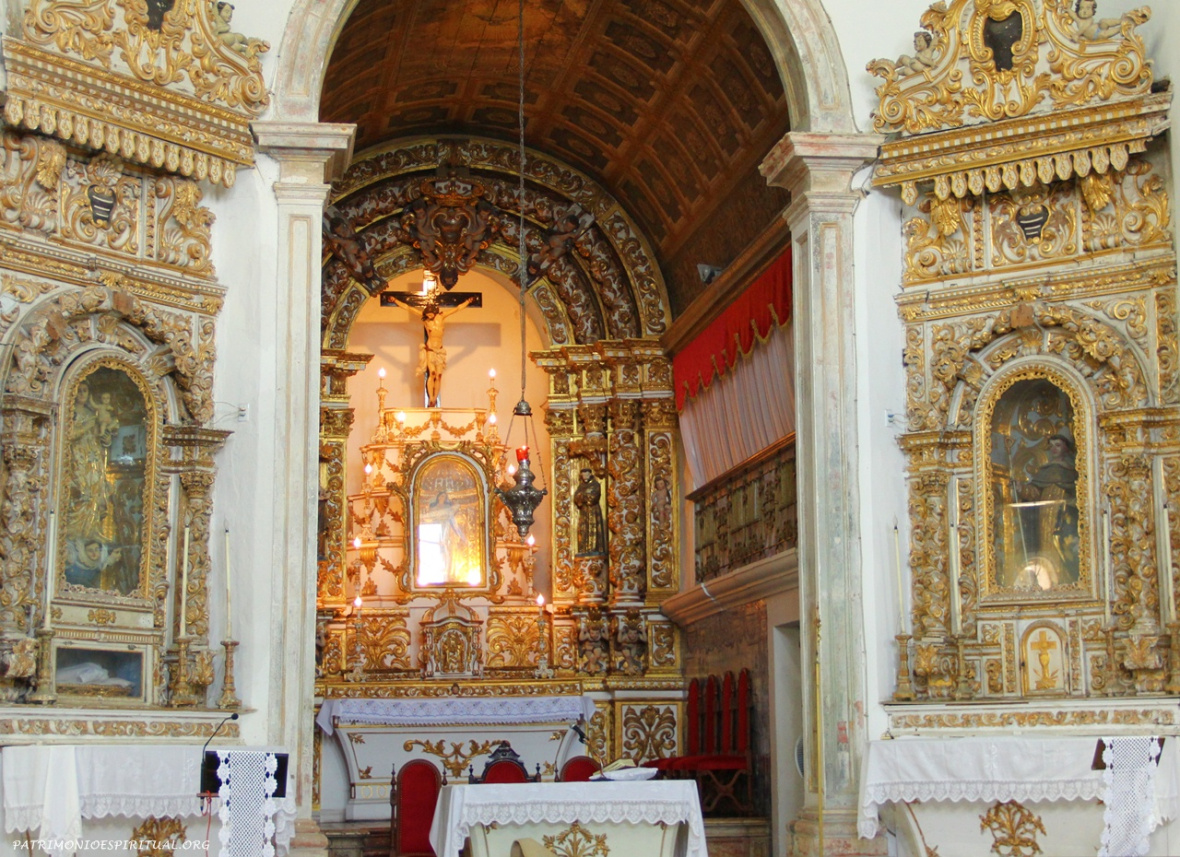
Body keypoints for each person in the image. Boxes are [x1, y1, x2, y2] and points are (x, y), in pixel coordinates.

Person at [1014, 433, 1079, 587]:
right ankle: (1050, 579)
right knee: (1045, 544)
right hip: (1044, 515)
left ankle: (1065, 579)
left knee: (1063, 546)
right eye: (1052, 446)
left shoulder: (1072, 471)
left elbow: (1078, 494)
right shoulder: (1044, 471)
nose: (1054, 449)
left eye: (1058, 445)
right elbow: (1035, 492)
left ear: (1066, 448)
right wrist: (1021, 488)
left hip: (1065, 516)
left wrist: (1070, 503)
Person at [389, 295, 475, 407]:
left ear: (434, 312)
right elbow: (409, 308)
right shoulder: (425, 320)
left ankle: (434, 398)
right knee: (432, 373)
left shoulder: (441, 316)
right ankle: (431, 398)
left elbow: (457, 309)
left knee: (439, 376)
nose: (429, 316)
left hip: (440, 351)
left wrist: (467, 302)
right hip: (430, 350)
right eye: (427, 315)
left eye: (430, 314)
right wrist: (395, 300)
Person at [573, 468, 606, 556]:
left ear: (590, 474)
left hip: (593, 510)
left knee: (593, 527)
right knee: (583, 528)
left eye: (586, 475)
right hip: (584, 511)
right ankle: (583, 548)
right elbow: (576, 497)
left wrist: (583, 496)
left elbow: (593, 497)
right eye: (583, 475)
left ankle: (593, 548)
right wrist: (583, 496)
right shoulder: (581, 486)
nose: (584, 477)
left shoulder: (595, 484)